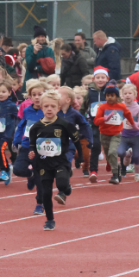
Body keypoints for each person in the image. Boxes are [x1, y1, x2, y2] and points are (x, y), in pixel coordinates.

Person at [28, 89, 82, 231]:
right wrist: (31, 153)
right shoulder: (35, 128)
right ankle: (50, 220)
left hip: (60, 162)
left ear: (58, 108)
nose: (49, 109)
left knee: (62, 184)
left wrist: (80, 158)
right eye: (46, 106)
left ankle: (66, 188)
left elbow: (77, 141)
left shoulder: (64, 124)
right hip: (43, 164)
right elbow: (32, 145)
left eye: (52, 106)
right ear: (41, 108)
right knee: (45, 193)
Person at [14, 80, 48, 214]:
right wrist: (17, 140)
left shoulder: (48, 110)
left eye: (40, 94)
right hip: (27, 145)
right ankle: (31, 175)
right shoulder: (27, 110)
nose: (37, 97)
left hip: (42, 148)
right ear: (30, 96)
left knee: (41, 179)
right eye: (34, 94)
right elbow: (22, 125)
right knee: (17, 170)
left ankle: (40, 203)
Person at [93, 84, 136, 184]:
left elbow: (128, 114)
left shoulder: (121, 106)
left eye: (112, 95)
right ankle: (116, 169)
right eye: (108, 95)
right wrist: (104, 118)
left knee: (112, 152)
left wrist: (133, 124)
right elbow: (96, 121)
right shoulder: (102, 107)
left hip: (116, 134)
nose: (109, 97)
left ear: (117, 96)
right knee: (108, 154)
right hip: (104, 134)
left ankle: (115, 175)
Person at [82, 66, 111, 183]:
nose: (100, 80)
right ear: (94, 79)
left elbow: (118, 105)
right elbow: (83, 106)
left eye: (102, 77)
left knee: (109, 146)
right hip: (94, 123)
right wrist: (79, 118)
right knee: (95, 147)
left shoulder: (110, 91)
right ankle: (93, 171)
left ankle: (110, 162)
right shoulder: (90, 93)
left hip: (109, 123)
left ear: (107, 78)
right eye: (98, 77)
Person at [57, 85, 93, 179]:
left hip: (69, 143)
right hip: (56, 143)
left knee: (66, 159)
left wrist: (89, 138)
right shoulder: (54, 111)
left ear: (68, 100)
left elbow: (84, 125)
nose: (56, 96)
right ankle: (66, 171)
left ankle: (65, 174)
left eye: (59, 95)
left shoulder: (74, 113)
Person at [117, 84, 139, 181]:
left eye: (130, 93)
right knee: (120, 152)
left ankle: (137, 174)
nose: (127, 95)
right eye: (125, 93)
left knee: (137, 155)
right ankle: (127, 155)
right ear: (122, 95)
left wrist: (134, 123)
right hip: (123, 135)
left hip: (135, 135)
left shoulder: (138, 108)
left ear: (134, 95)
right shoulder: (119, 107)